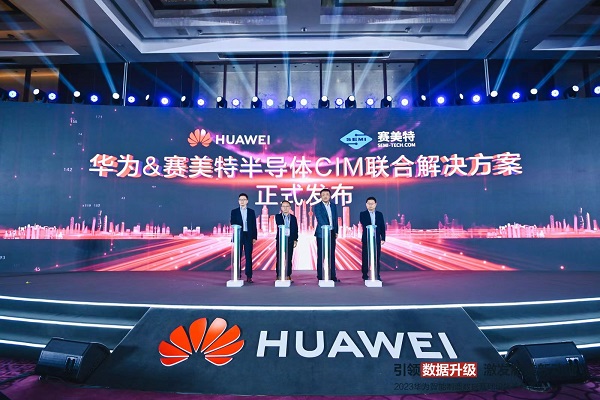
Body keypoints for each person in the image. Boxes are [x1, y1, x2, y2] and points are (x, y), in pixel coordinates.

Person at [313, 188, 340, 282]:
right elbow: (319, 218)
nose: (325, 196)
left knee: (331, 255)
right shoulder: (317, 206)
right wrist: (327, 228)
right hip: (322, 233)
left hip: (332, 233)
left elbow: (335, 219)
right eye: (323, 194)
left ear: (330, 196)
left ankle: (332, 276)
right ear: (320, 196)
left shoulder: (333, 206)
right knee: (321, 255)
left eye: (327, 194)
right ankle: (321, 276)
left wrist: (336, 231)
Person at [230, 193, 257, 283]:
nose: (242, 201)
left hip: (248, 236)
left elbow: (254, 225)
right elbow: (232, 222)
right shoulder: (234, 211)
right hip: (239, 235)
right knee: (237, 256)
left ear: (247, 201)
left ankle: (249, 276)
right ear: (238, 201)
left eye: (244, 199)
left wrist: (254, 237)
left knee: (248, 256)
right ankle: (237, 275)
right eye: (240, 200)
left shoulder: (251, 212)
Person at [359, 196, 386, 281]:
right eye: (369, 204)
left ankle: (377, 274)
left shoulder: (379, 214)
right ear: (366, 205)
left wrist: (383, 238)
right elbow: (364, 223)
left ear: (375, 204)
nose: (370, 205)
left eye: (372, 203)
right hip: (366, 239)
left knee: (376, 257)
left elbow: (382, 227)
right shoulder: (363, 214)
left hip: (376, 239)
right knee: (365, 257)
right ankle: (365, 274)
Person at [275, 200, 298, 281]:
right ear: (281, 208)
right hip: (281, 239)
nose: (285, 208)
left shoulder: (293, 218)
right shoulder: (278, 216)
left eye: (287, 206)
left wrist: (295, 239)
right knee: (279, 258)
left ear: (290, 208)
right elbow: (280, 224)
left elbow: (295, 229)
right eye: (283, 206)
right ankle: (279, 274)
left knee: (289, 258)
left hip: (290, 239)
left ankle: (288, 274)